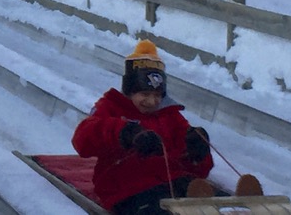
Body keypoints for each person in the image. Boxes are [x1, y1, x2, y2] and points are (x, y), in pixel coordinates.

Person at [72, 40, 213, 214]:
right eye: (145, 94)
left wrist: (199, 151)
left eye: (157, 95)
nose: (152, 101)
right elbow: (82, 140)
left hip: (172, 181)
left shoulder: (170, 115)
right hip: (127, 187)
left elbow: (200, 169)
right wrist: (125, 132)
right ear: (130, 91)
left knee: (208, 203)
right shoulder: (111, 107)